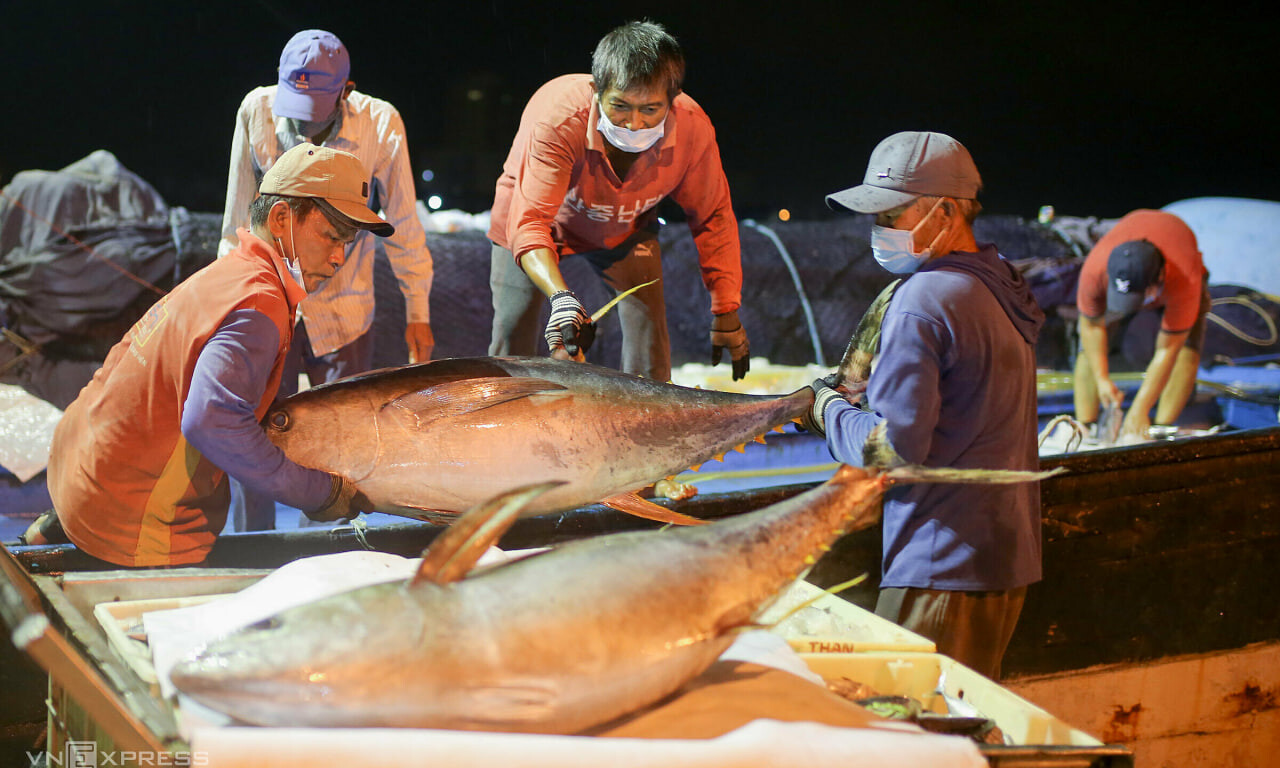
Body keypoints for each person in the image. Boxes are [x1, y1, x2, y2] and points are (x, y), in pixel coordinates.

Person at [40, 143, 382, 567]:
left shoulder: (230, 272)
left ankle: (54, 526)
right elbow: (211, 420)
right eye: (331, 237)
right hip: (126, 517)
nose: (338, 259)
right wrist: (318, 492)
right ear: (281, 219)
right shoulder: (260, 303)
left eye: (347, 243)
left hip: (76, 468)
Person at [807, 131, 1045, 679]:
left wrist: (826, 410)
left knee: (912, 728)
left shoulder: (924, 301)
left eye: (891, 214)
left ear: (944, 211)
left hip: (940, 564)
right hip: (1004, 559)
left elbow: (893, 448)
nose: (879, 230)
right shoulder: (998, 285)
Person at [220, 29, 433, 529]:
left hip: (344, 308)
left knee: (343, 443)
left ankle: (330, 549)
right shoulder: (257, 110)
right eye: (296, 102)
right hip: (269, 305)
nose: (304, 119)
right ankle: (255, 546)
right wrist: (228, 307)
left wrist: (418, 312)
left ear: (346, 90)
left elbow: (403, 224)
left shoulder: (381, 124)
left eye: (317, 105)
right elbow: (235, 223)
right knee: (257, 430)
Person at [488, 20, 749, 382]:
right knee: (513, 330)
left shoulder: (693, 130)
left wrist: (726, 309)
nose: (634, 125)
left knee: (650, 336)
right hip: (538, 222)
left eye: (651, 110)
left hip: (626, 225)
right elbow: (530, 221)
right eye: (621, 106)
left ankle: (646, 428)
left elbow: (713, 218)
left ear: (673, 100)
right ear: (597, 90)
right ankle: (502, 421)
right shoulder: (560, 121)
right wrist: (561, 299)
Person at [1072, 209, 1208, 438]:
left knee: (1186, 351)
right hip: (1122, 260)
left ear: (1160, 280)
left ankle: (1160, 429)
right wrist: (1102, 379)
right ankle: (1084, 429)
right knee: (1087, 348)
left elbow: (1168, 348)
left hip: (1180, 262)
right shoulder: (1094, 271)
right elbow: (1091, 327)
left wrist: (1140, 408)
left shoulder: (1184, 279)